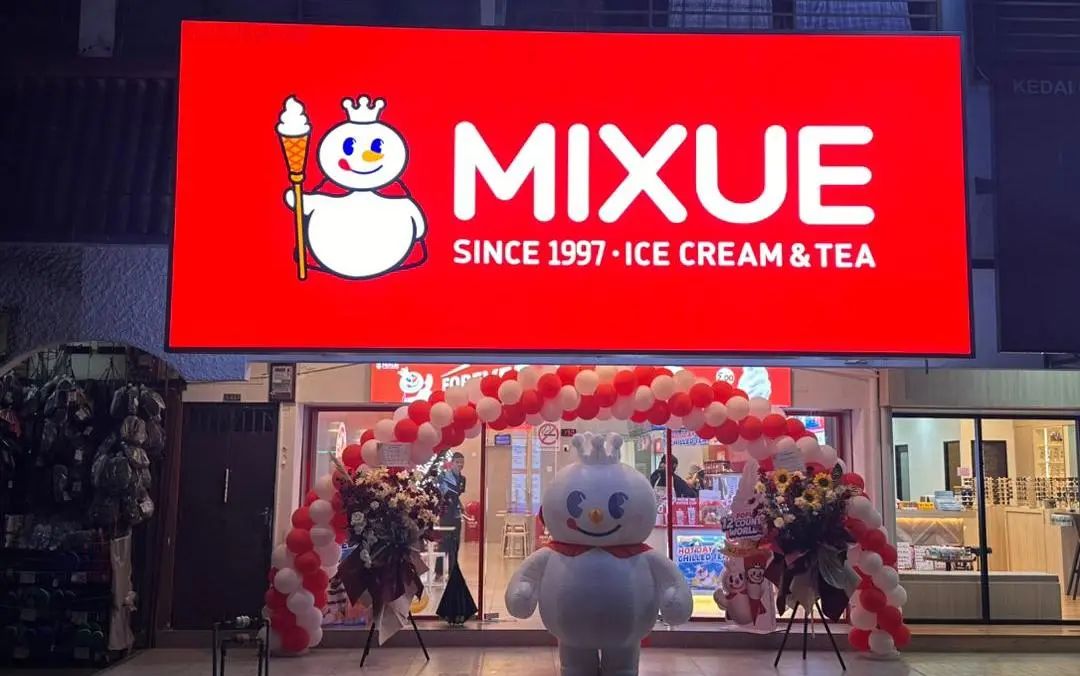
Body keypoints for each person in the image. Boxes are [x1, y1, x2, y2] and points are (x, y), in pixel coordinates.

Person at [435, 452, 472, 579]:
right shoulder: (443, 477)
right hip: (445, 513)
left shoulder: (462, 479)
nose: (460, 465)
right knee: (444, 543)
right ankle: (439, 572)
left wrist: (461, 507)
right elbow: (443, 494)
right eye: (457, 462)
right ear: (452, 463)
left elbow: (456, 496)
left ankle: (452, 571)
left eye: (462, 462)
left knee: (455, 544)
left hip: (456, 515)